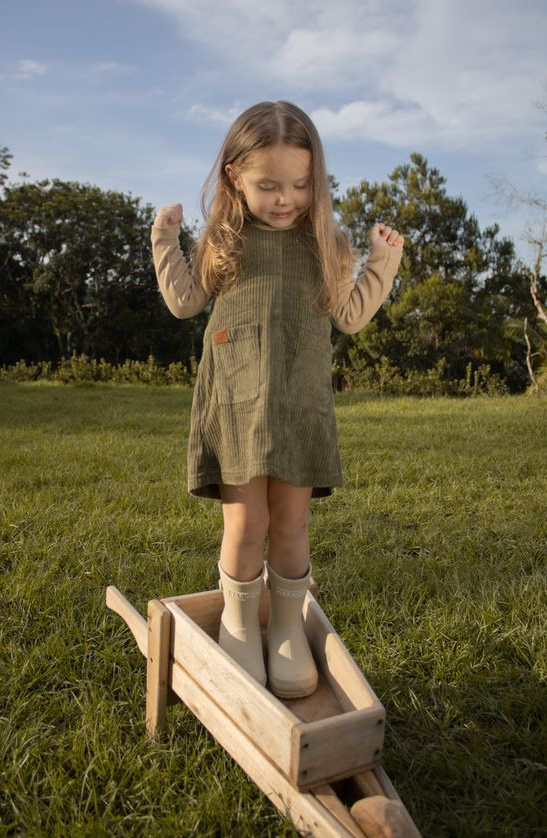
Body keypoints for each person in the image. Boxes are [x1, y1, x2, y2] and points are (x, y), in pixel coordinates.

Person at [151, 100, 403, 699]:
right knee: (246, 525)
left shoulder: (327, 243)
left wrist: (381, 263)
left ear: (316, 179)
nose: (285, 198)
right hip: (236, 405)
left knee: (291, 522)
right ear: (235, 176)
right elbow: (185, 302)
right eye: (268, 185)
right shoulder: (224, 239)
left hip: (298, 404)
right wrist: (166, 238)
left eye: (300, 184)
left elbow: (347, 318)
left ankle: (286, 625)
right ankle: (240, 623)